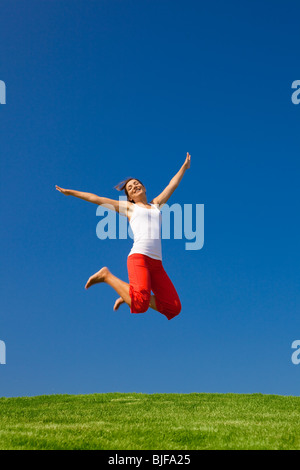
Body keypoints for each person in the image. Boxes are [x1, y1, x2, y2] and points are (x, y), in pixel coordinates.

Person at [55, 152, 191, 320]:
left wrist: (184, 167)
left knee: (174, 307)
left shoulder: (156, 205)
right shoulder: (129, 208)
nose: (134, 186)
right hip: (139, 258)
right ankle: (106, 276)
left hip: (157, 264)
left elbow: (172, 184)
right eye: (130, 188)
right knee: (140, 305)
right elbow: (97, 199)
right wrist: (71, 193)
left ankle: (129, 294)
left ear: (144, 187)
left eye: (136, 183)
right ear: (130, 198)